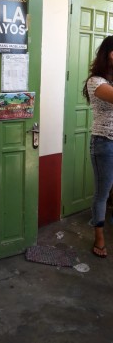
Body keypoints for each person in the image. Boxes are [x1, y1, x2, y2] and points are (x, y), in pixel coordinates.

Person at [83, 35, 113, 258]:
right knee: (102, 192)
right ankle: (99, 237)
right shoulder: (95, 81)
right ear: (107, 54)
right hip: (104, 142)